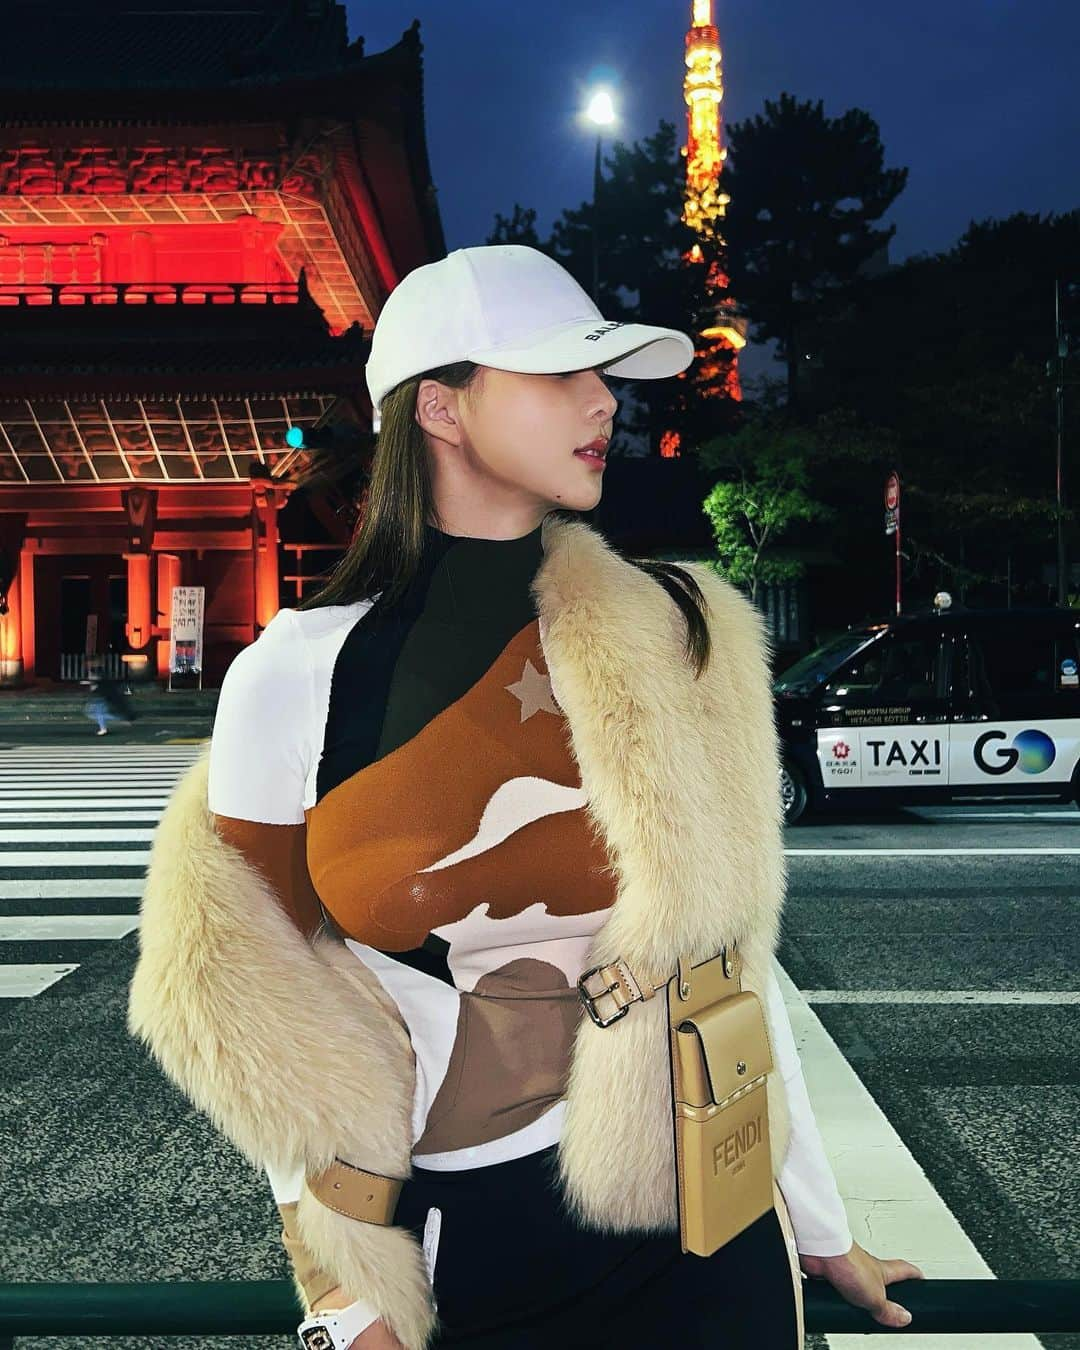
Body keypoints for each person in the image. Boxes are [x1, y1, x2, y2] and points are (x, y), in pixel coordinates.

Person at [128, 245, 923, 1350]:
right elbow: (264, 1002)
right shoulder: (293, 676)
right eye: (559, 375)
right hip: (464, 1242)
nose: (605, 401)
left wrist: (823, 1227)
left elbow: (729, 968)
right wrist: (338, 1283)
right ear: (443, 409)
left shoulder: (676, 629)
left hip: (702, 1228)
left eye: (602, 377)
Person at [82, 658, 135, 736]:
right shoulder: (94, 671)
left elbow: (100, 681)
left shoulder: (98, 671)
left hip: (101, 695)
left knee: (97, 713)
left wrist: (91, 682)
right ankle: (119, 720)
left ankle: (105, 727)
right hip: (99, 695)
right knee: (95, 713)